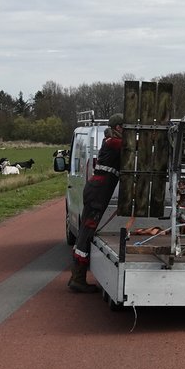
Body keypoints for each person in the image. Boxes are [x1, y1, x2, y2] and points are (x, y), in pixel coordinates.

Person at [69, 113, 125, 293]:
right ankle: (78, 279)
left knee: (85, 232)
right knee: (86, 232)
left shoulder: (110, 140)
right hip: (98, 192)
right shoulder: (113, 142)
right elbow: (132, 147)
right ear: (119, 127)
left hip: (97, 190)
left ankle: (76, 276)